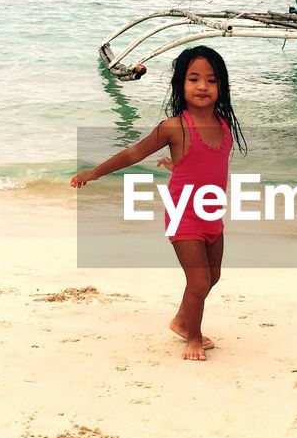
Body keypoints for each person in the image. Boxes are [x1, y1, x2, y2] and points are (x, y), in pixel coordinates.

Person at [70, 46, 245, 362]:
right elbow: (133, 153)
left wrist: (175, 162)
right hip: (183, 217)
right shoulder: (174, 127)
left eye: (211, 80)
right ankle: (192, 337)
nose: (202, 86)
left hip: (211, 213)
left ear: (222, 87)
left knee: (212, 276)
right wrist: (95, 172)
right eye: (193, 79)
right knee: (199, 279)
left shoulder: (223, 124)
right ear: (181, 85)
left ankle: (181, 320)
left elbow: (204, 163)